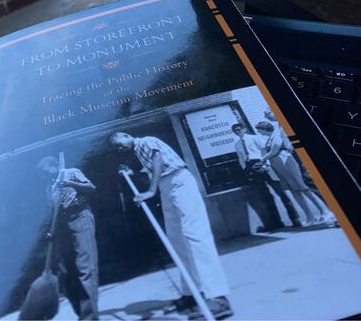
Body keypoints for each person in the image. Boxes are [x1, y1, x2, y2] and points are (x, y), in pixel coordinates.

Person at [109, 132, 233, 320]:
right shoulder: (139, 152)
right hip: (167, 188)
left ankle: (218, 297)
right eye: (115, 148)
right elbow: (152, 169)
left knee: (196, 237)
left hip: (179, 182)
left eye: (118, 144)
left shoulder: (146, 140)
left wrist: (151, 190)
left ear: (127, 136)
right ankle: (192, 293)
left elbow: (158, 160)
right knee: (177, 241)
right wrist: (131, 172)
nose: (118, 149)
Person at [37, 156, 99, 320]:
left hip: (80, 218)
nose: (46, 176)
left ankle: (90, 317)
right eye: (43, 174)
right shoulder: (48, 186)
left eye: (47, 171)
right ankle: (83, 313)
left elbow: (91, 188)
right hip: (63, 225)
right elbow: (53, 210)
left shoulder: (71, 173)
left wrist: (71, 184)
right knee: (64, 273)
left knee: (86, 269)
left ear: (55, 166)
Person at [255, 120, 334, 225]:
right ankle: (310, 216)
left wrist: (262, 159)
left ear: (264, 129)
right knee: (295, 191)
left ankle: (324, 211)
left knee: (303, 188)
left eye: (259, 130)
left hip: (287, 164)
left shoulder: (276, 135)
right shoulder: (268, 139)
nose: (259, 132)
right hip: (280, 167)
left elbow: (275, 150)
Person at [231, 123, 302, 230]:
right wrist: (246, 169)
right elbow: (241, 158)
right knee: (266, 196)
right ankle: (277, 222)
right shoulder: (237, 144)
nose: (237, 131)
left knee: (281, 192)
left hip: (264, 165)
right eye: (235, 130)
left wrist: (267, 165)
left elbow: (265, 151)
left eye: (239, 129)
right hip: (253, 168)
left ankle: (295, 219)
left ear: (244, 129)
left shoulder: (255, 138)